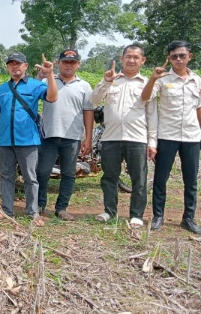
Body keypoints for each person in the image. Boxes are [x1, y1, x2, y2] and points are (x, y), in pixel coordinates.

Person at [0, 52, 58, 226]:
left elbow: (52, 97)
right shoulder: (2, 89)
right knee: (6, 176)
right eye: (11, 63)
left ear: (26, 66)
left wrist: (49, 75)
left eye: (18, 63)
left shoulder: (35, 85)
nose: (15, 66)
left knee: (30, 177)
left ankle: (32, 212)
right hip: (5, 141)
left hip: (28, 140)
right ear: (7, 67)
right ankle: (6, 210)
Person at [91, 44, 157, 229]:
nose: (131, 60)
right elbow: (94, 100)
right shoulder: (112, 80)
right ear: (121, 59)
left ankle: (136, 214)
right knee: (109, 177)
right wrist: (105, 81)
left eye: (136, 57)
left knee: (139, 178)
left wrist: (152, 142)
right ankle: (109, 211)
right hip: (110, 137)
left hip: (137, 138)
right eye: (128, 56)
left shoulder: (146, 83)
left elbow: (152, 114)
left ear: (142, 61)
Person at [141, 40, 201, 234]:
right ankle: (158, 216)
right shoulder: (162, 79)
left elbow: (199, 109)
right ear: (169, 58)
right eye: (174, 56)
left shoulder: (197, 80)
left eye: (182, 56)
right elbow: (146, 98)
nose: (178, 59)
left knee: (191, 180)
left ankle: (188, 218)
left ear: (189, 57)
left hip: (192, 136)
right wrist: (152, 79)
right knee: (161, 178)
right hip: (167, 135)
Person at [36, 49, 94, 221]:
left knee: (68, 173)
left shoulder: (84, 86)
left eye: (72, 62)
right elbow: (31, 89)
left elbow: (88, 112)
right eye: (65, 62)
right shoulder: (47, 81)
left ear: (78, 64)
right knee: (42, 172)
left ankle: (61, 208)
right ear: (58, 63)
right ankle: (39, 205)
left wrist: (88, 137)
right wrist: (41, 74)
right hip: (49, 135)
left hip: (72, 137)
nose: (69, 65)